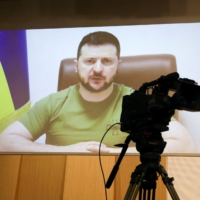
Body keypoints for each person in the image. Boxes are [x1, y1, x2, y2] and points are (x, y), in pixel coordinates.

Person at [0, 31, 198, 154]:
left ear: (117, 66)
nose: (97, 69)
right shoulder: (53, 103)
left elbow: (185, 145)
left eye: (106, 61)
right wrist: (66, 151)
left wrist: (113, 155)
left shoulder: (137, 101)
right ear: (76, 66)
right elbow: (4, 142)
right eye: (89, 61)